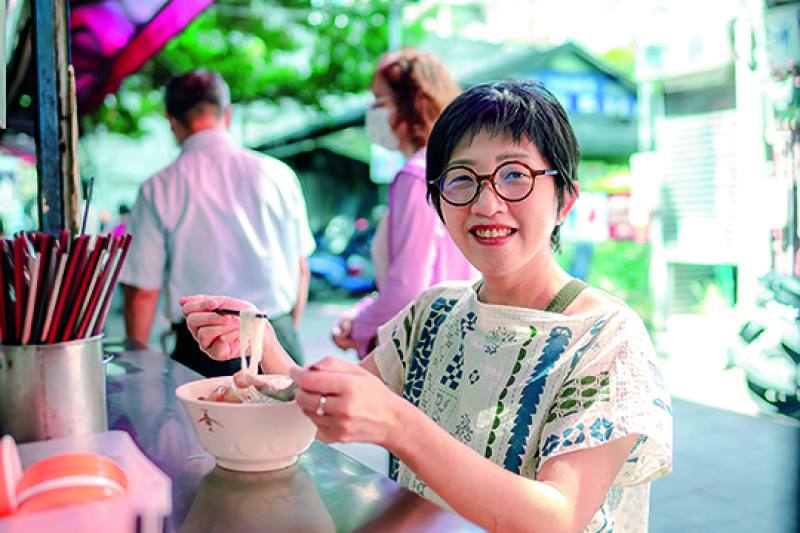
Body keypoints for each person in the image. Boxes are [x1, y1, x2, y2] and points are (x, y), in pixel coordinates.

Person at [181, 81, 672, 532]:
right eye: (462, 180)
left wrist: (400, 425)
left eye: (514, 175)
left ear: (565, 198)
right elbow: (322, 416)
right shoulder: (433, 314)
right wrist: (261, 339)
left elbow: (558, 518)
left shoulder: (608, 339)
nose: (487, 204)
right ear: (438, 202)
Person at [120, 69, 314, 375]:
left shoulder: (159, 187)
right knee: (287, 422)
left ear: (171, 121)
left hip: (202, 345)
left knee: (203, 423)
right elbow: (301, 268)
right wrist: (279, 336)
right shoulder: (278, 175)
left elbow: (143, 290)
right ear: (229, 114)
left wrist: (137, 364)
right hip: (275, 334)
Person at [332, 48, 475, 358]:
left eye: (379, 101)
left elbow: (407, 289)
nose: (372, 112)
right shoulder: (451, 168)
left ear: (410, 104)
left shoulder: (415, 176)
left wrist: (357, 328)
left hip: (421, 350)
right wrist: (364, 310)